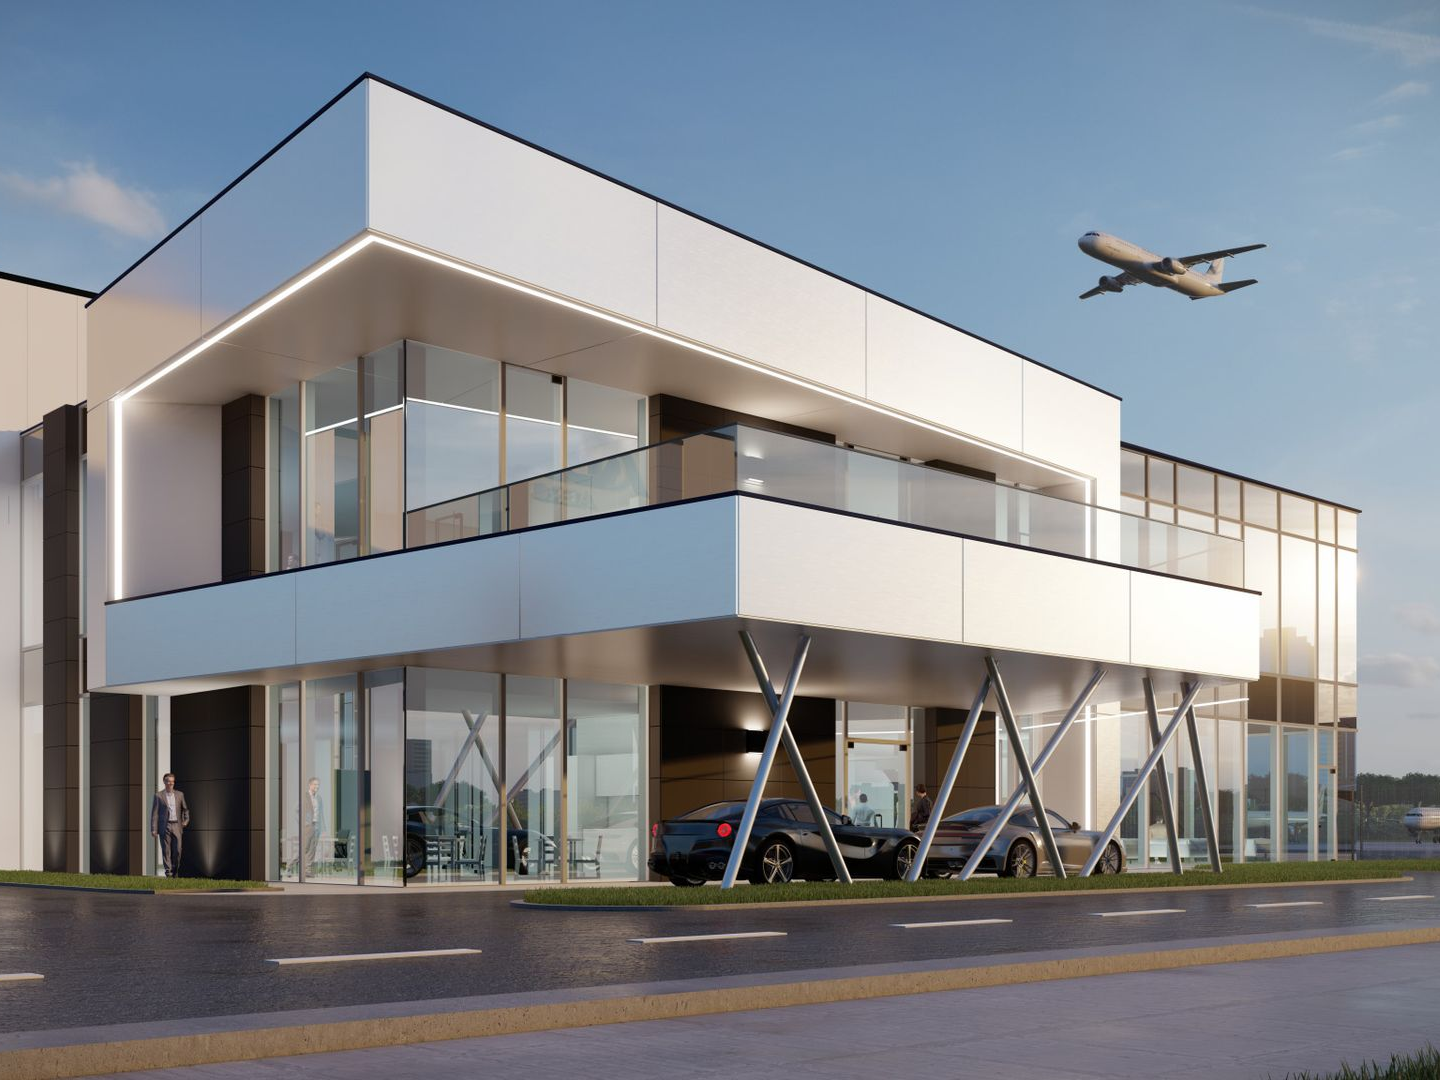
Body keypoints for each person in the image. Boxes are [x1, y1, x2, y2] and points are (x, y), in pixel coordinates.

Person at [149, 773, 190, 877]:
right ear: (164, 782)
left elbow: (185, 809)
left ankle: (175, 872)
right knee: (166, 850)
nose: (170, 783)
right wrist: (153, 829)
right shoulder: (158, 796)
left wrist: (186, 820)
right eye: (168, 781)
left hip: (177, 825)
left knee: (178, 850)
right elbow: (154, 814)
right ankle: (168, 873)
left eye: (172, 781)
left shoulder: (180, 795)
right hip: (165, 826)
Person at [302, 776, 325, 876]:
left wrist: (323, 829)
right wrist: (304, 822)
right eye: (315, 784)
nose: (317, 786)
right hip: (308, 827)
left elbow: (321, 814)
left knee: (312, 849)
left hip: (316, 826)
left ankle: (307, 870)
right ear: (310, 785)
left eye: (318, 784)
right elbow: (297, 811)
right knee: (305, 848)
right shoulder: (304, 796)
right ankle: (292, 867)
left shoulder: (319, 798)